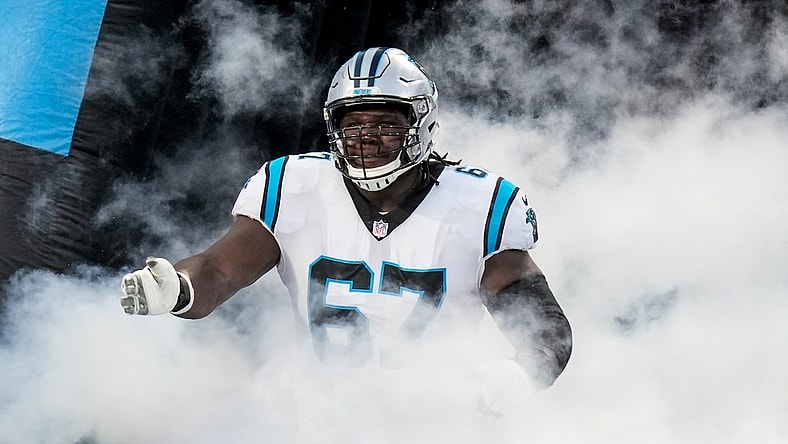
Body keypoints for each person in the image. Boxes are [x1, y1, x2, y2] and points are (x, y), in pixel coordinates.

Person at [120, 47, 572, 433]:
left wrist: (526, 369)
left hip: (436, 427)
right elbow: (218, 271)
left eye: (385, 125)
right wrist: (178, 287)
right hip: (324, 428)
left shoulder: (480, 205)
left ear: (421, 124)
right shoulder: (293, 186)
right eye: (353, 125)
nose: (366, 139)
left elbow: (543, 323)